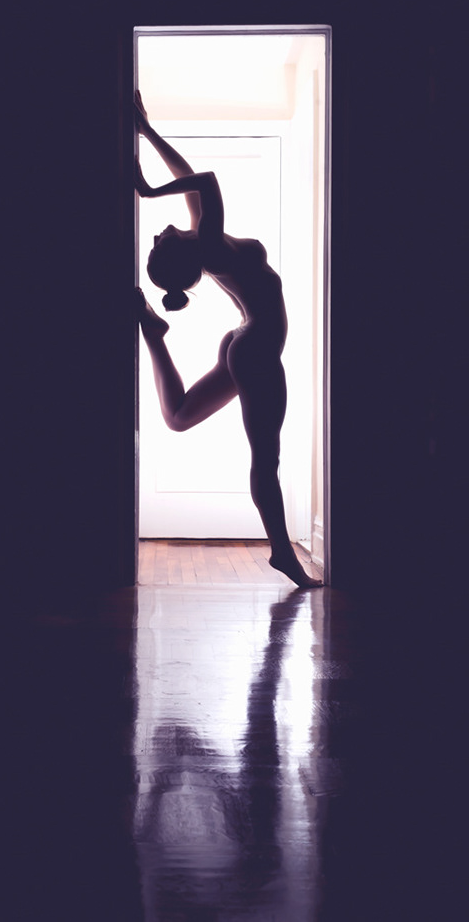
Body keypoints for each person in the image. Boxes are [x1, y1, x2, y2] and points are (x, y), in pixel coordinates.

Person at [132, 92, 321, 588]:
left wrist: (148, 133)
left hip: (246, 341)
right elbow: (208, 181)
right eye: (157, 243)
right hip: (254, 347)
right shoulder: (211, 246)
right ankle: (283, 553)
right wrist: (148, 190)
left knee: (179, 417)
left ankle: (155, 334)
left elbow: (190, 175)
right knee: (266, 457)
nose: (156, 234)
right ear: (178, 253)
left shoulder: (205, 240)